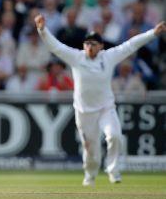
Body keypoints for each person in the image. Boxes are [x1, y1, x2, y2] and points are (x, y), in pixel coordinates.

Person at [34, 14, 165, 187]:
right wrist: (42, 30)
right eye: (87, 43)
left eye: (93, 44)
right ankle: (90, 176)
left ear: (101, 46)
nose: (89, 46)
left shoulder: (108, 57)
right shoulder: (76, 57)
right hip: (84, 111)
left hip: (105, 108)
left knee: (115, 136)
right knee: (91, 149)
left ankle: (113, 170)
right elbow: (55, 47)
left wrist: (152, 33)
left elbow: (130, 45)